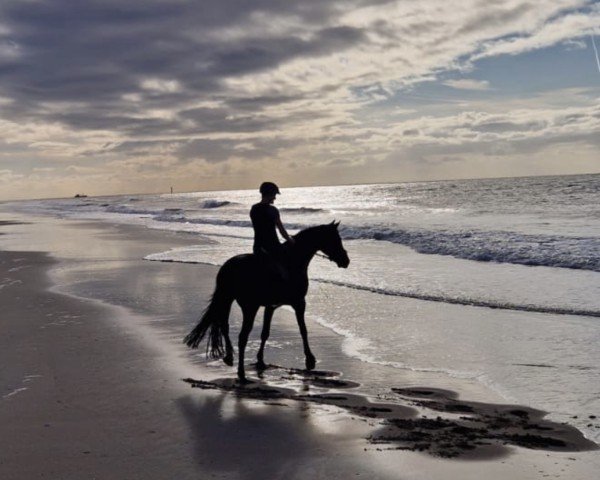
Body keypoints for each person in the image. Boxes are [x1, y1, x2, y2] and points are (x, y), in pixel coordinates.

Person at [250, 181, 294, 278]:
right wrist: (290, 240)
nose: (275, 197)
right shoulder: (272, 210)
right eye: (274, 195)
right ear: (269, 194)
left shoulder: (254, 208)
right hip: (273, 248)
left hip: (258, 248)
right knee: (289, 271)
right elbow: (282, 231)